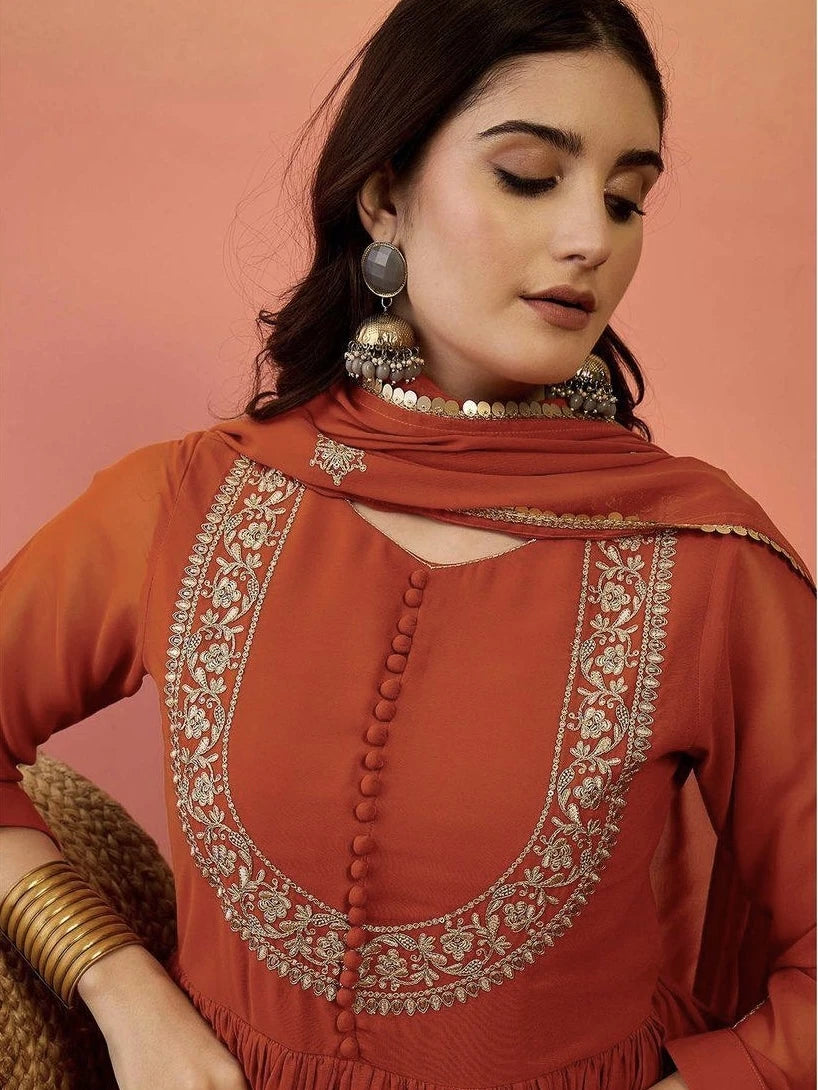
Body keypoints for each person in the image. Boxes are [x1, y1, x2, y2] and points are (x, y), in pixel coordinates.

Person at [1, 1, 815, 1088]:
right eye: (529, 176)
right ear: (385, 197)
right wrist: (119, 984)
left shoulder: (705, 560)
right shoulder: (190, 500)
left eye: (626, 198)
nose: (591, 236)